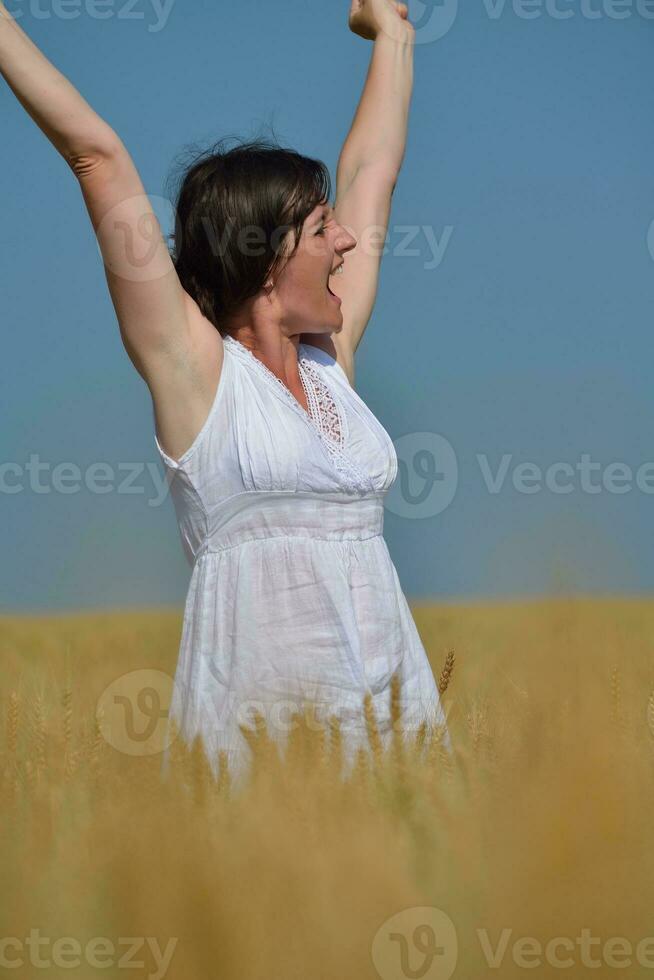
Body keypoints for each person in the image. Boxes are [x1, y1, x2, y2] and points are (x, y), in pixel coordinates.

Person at [0, 0, 451, 783]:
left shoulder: (330, 362)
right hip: (256, 759)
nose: (346, 238)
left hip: (395, 738)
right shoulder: (195, 372)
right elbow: (97, 155)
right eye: (320, 230)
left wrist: (392, 31)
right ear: (268, 256)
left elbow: (373, 173)